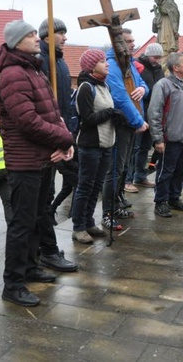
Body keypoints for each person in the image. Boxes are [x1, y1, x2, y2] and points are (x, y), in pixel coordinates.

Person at [0, 20, 77, 308]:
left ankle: (29, 268)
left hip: (41, 158)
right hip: (24, 161)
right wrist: (64, 139)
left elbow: (51, 113)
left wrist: (58, 142)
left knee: (35, 218)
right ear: (17, 42)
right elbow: (28, 122)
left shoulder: (33, 68)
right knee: (21, 223)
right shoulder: (13, 74)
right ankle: (13, 283)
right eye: (30, 35)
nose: (35, 38)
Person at [101, 28, 149, 230]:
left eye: (133, 40)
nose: (132, 44)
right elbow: (120, 98)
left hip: (131, 124)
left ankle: (117, 204)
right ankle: (107, 212)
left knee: (123, 168)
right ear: (117, 44)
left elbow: (142, 83)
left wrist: (142, 89)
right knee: (114, 170)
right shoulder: (112, 65)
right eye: (128, 41)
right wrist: (138, 121)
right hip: (121, 125)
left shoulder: (128, 63)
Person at [69, 49, 119, 243]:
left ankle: (89, 222)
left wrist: (116, 117)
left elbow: (107, 113)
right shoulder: (86, 88)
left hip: (106, 144)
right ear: (92, 66)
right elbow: (88, 119)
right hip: (90, 145)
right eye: (102, 61)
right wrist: (111, 113)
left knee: (96, 185)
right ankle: (78, 227)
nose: (107, 64)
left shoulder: (104, 86)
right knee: (85, 186)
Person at [37, 18, 79, 224]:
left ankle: (48, 232)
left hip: (61, 131)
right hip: (47, 135)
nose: (65, 37)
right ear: (47, 35)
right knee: (45, 190)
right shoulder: (41, 60)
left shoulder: (60, 62)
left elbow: (64, 103)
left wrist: (68, 132)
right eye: (61, 33)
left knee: (55, 187)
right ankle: (41, 241)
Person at [148, 53, 183, 218]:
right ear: (175, 67)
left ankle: (174, 198)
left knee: (181, 169)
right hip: (171, 136)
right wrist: (158, 138)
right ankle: (160, 201)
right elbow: (155, 112)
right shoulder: (164, 85)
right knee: (165, 170)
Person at [125, 42, 164, 193]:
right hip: (140, 111)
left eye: (160, 57)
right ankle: (127, 179)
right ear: (148, 55)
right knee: (134, 148)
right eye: (155, 57)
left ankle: (140, 176)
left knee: (145, 147)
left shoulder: (159, 70)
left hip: (153, 113)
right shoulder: (138, 67)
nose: (158, 60)